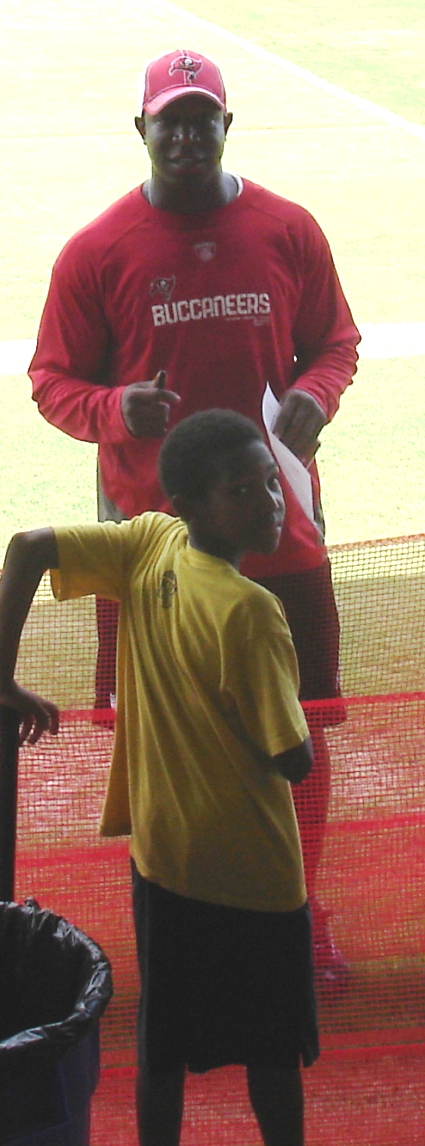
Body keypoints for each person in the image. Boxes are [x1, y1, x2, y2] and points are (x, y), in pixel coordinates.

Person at [28, 47, 361, 984]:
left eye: (200, 116)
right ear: (142, 131)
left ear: (225, 125)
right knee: (165, 739)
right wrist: (112, 409)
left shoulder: (287, 229)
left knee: (300, 724)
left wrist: (315, 394)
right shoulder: (95, 252)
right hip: (153, 552)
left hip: (281, 531)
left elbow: (334, 340)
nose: (184, 133)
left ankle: (298, 909)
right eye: (167, 119)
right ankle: (184, 917)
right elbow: (50, 379)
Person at [0, 409, 319, 1146]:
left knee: (162, 1047)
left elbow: (27, 547)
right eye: (241, 490)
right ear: (190, 506)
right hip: (256, 879)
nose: (268, 502)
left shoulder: (150, 541)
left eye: (270, 482)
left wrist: (3, 677)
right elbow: (292, 758)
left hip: (164, 864)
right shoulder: (251, 612)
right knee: (271, 1051)